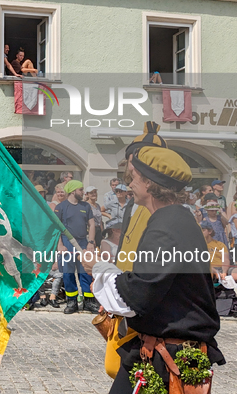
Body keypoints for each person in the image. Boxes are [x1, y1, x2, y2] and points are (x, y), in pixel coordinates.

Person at [90, 145, 224, 392]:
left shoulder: (167, 225)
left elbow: (139, 294)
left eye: (134, 176)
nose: (129, 184)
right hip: (158, 349)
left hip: (166, 356)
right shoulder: (175, 219)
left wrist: (101, 271)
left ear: (149, 184)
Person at [54, 179, 98, 314]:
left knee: (86, 272)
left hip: (83, 243)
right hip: (67, 243)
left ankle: (88, 302)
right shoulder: (61, 207)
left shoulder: (86, 206)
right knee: (68, 273)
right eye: (80, 189)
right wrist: (60, 246)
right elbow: (55, 229)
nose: (83, 192)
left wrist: (90, 242)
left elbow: (92, 225)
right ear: (73, 191)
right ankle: (71, 301)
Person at [201, 220, 237, 317]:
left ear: (210, 231)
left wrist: (224, 272)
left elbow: (225, 260)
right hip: (206, 268)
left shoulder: (219, 245)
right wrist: (215, 271)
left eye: (203, 230)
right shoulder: (196, 244)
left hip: (221, 268)